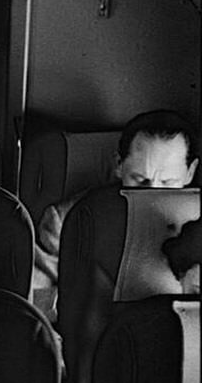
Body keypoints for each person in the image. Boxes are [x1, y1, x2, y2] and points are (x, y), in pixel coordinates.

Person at [31, 110, 199, 321]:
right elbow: (37, 300)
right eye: (139, 179)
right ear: (119, 165)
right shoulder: (69, 219)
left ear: (190, 173)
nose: (152, 192)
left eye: (168, 182)